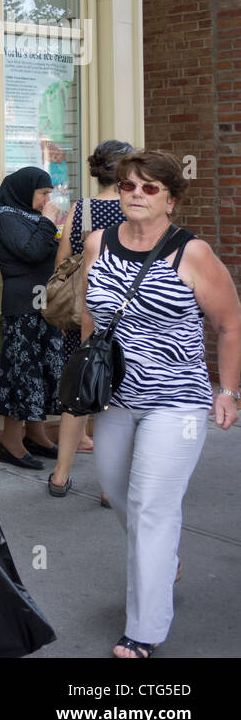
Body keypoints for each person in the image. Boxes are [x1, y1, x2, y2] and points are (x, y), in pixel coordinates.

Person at [81, 150, 239, 658]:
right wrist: (88, 382)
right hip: (116, 399)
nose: (136, 194)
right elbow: (91, 316)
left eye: (150, 188)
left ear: (171, 198)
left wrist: (228, 391)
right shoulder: (96, 243)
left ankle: (143, 629)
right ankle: (163, 557)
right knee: (115, 489)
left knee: (153, 507)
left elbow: (229, 325)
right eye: (128, 185)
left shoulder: (191, 253)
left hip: (178, 402)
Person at [46, 139, 133, 496]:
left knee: (79, 390)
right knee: (121, 396)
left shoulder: (81, 209)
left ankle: (60, 476)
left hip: (87, 309)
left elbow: (62, 262)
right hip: (128, 315)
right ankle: (108, 488)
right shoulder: (138, 208)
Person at [0, 167, 65, 469]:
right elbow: (31, 251)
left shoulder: (30, 217)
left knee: (44, 370)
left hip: (44, 302)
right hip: (21, 304)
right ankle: (11, 442)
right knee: (22, 373)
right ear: (25, 191)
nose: (48, 199)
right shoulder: (6, 217)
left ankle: (36, 433)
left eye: (49, 193)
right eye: (43, 193)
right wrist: (47, 221)